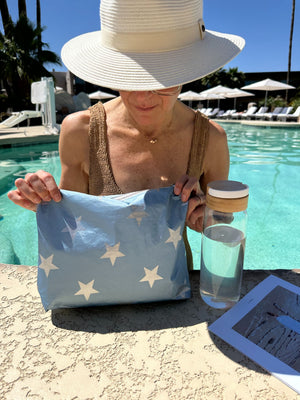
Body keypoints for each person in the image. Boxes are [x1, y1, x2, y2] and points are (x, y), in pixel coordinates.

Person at [7, 0, 244, 268]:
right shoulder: (80, 131)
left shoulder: (211, 139)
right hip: (100, 286)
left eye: (162, 78)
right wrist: (46, 202)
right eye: (129, 77)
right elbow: (72, 228)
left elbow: (222, 232)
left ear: (188, 70)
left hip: (177, 287)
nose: (143, 96)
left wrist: (205, 218)